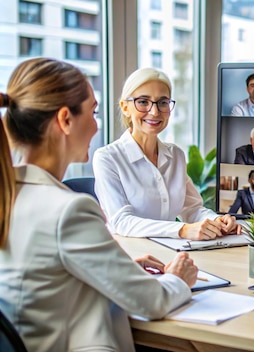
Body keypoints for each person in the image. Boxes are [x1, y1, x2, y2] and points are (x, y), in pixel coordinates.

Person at [0, 58, 199, 351]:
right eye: (93, 112)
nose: (96, 127)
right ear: (66, 120)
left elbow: (40, 278)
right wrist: (178, 279)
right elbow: (153, 302)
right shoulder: (68, 211)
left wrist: (120, 268)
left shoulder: (10, 193)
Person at [93, 67, 240, 240]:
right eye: (143, 102)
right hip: (131, 257)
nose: (154, 112)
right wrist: (182, 230)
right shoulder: (107, 158)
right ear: (125, 107)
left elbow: (192, 209)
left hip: (172, 254)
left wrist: (218, 220)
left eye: (162, 102)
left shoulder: (175, 155)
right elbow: (121, 222)